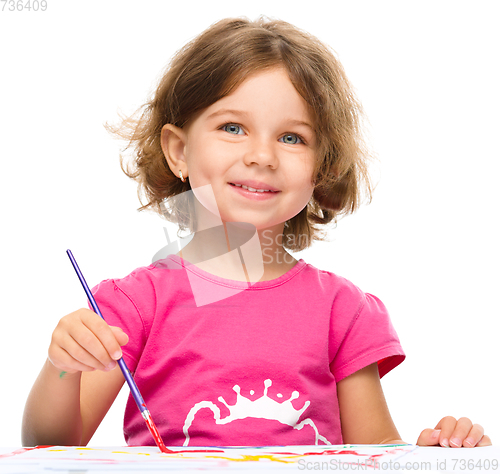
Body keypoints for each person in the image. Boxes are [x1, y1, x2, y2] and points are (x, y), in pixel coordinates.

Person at [22, 17, 491, 449]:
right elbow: (50, 443)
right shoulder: (133, 305)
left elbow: (376, 454)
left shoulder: (342, 312)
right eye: (233, 127)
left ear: (321, 168)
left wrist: (437, 456)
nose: (262, 155)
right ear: (178, 150)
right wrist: (63, 364)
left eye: (292, 138)